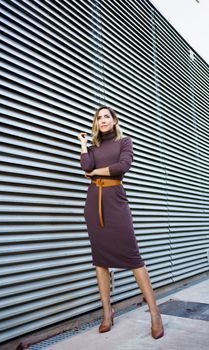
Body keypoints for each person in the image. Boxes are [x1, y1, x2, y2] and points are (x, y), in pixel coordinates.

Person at [77, 106, 164, 339]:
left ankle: (155, 313)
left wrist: (96, 171)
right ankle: (107, 313)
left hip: (116, 201)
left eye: (107, 116)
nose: (103, 120)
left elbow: (122, 167)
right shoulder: (94, 147)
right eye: (99, 117)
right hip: (94, 203)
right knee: (100, 260)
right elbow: (85, 167)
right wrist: (83, 145)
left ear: (114, 120)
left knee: (134, 257)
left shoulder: (125, 142)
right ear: (96, 123)